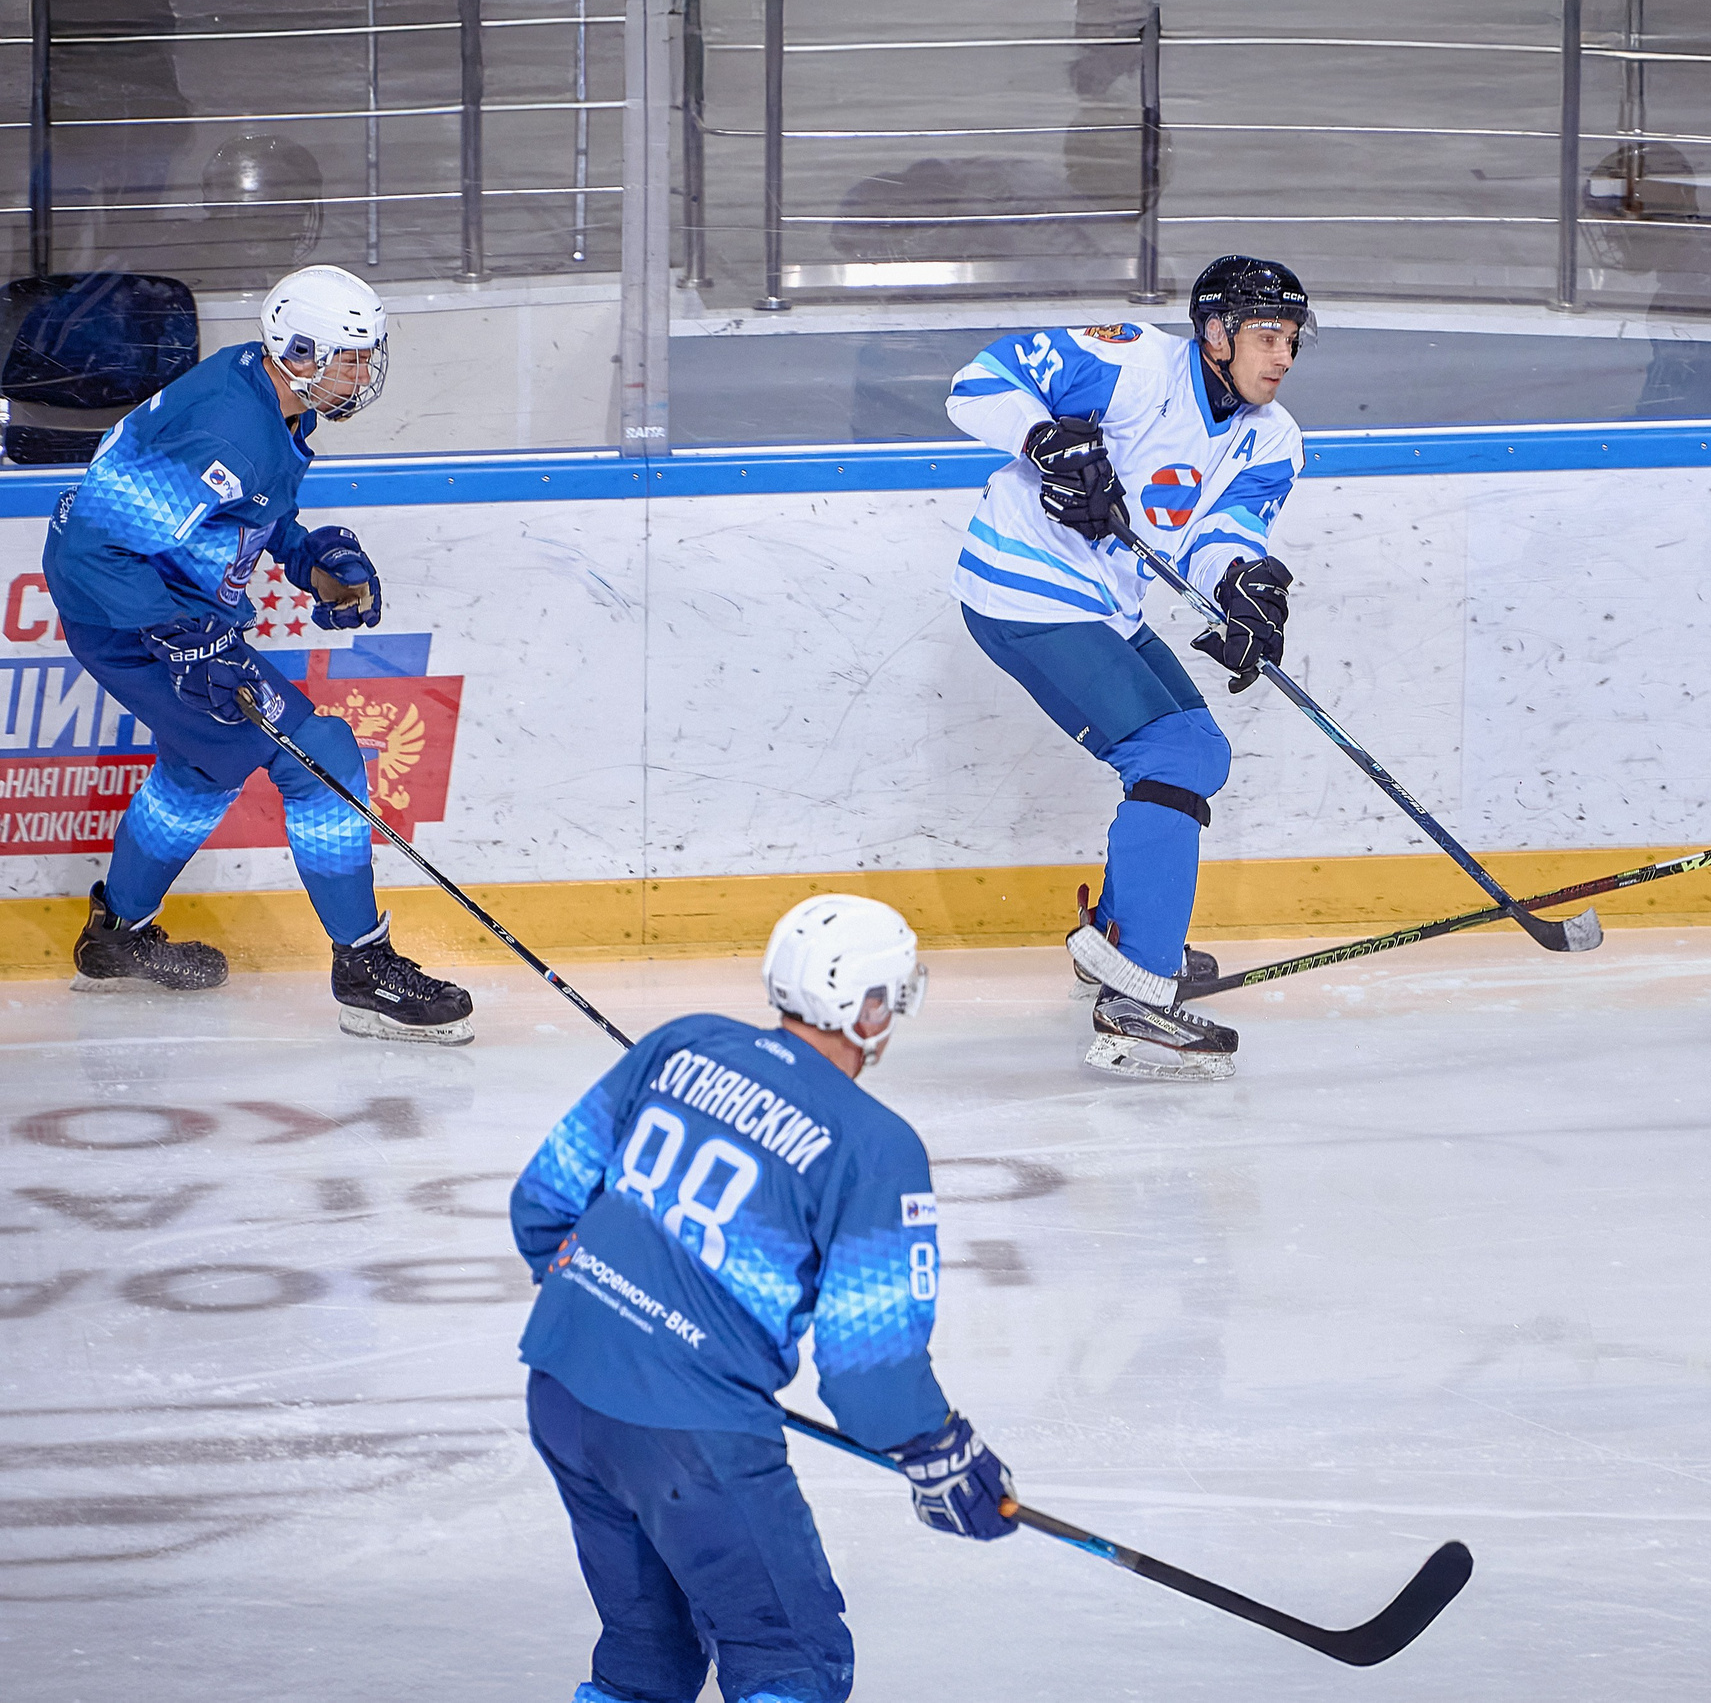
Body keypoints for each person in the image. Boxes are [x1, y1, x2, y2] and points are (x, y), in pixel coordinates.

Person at [510, 895, 1016, 1703]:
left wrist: (615, 1311)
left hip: (563, 1390)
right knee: (792, 1661)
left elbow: (543, 1201)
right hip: (692, 1441)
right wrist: (939, 1450)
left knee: (649, 1655)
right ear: (868, 1005)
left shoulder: (683, 1042)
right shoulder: (874, 1144)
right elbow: (869, 1375)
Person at [40, 262, 474, 1042]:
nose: (362, 372)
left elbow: (241, 514)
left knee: (200, 772)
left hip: (162, 617)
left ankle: (117, 936)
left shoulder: (268, 398)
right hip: (131, 624)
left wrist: (309, 562)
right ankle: (363, 964)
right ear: (300, 352)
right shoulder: (228, 429)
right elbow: (88, 550)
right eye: (352, 356)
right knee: (322, 758)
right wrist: (179, 641)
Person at [943, 255, 1311, 1081]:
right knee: (1171, 757)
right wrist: (1044, 438)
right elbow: (977, 381)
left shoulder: (1274, 439)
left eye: (1289, 339)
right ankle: (1139, 996)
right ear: (1214, 334)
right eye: (1265, 335)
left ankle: (1118, 936)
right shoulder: (1133, 363)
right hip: (1022, 589)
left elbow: (1222, 534)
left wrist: (1241, 589)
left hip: (1107, 603)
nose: (1282, 355)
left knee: (1199, 751)